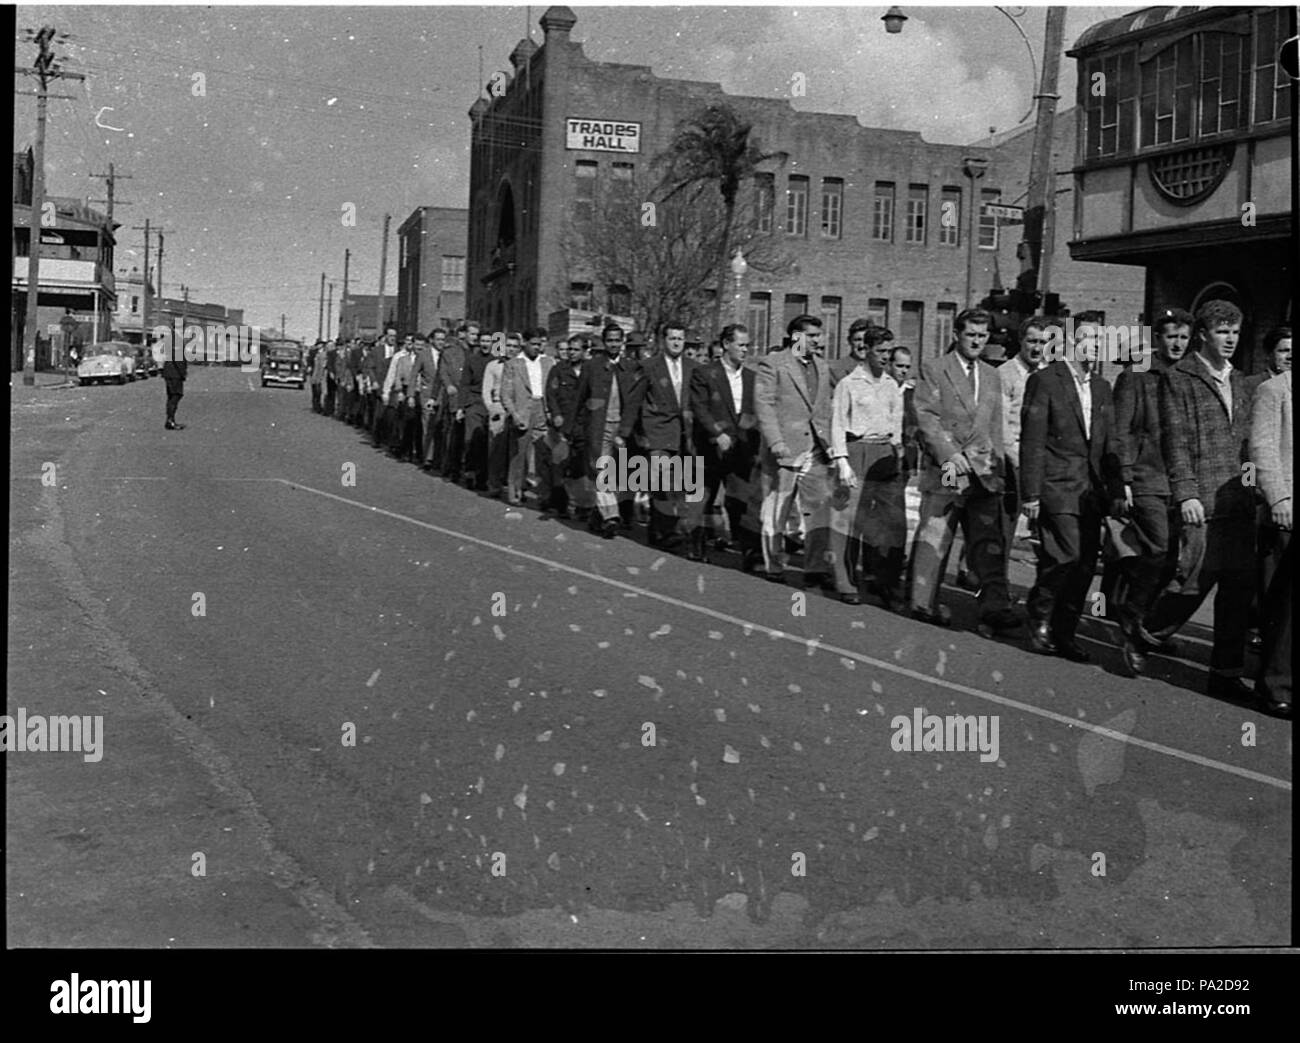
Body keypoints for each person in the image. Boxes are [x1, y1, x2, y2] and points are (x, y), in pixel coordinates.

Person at [1144, 300, 1257, 700]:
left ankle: (1224, 675)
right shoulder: (1181, 378)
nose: (1230, 340)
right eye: (1223, 332)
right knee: (1192, 581)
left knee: (1239, 590)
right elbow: (1176, 441)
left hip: (1240, 502)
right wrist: (1185, 492)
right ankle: (1146, 633)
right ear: (1204, 335)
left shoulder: (1240, 382)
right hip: (1203, 501)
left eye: (1235, 332)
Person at [907, 308, 1019, 632]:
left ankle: (995, 607)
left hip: (983, 468)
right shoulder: (935, 368)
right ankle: (922, 602)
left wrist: (997, 469)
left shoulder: (991, 374)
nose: (976, 341)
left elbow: (995, 426)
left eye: (982, 336)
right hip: (950, 463)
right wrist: (949, 455)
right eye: (970, 334)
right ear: (957, 334)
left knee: (988, 538)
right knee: (938, 530)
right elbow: (926, 418)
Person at [1020, 320, 1123, 662]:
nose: (1094, 345)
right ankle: (1040, 616)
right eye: (1088, 338)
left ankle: (1065, 631)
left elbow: (1111, 444)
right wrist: (1031, 494)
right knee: (1066, 555)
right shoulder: (1046, 381)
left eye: (1099, 339)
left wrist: (1118, 488)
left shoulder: (1103, 388)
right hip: (1057, 486)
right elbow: (1033, 442)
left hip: (1091, 492)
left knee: (1083, 566)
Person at [1105, 308, 1191, 673]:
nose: (1178, 344)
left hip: (1178, 481)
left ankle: (1138, 611)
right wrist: (1123, 478)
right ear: (1158, 338)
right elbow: (1121, 430)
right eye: (1171, 336)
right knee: (1158, 549)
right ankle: (1132, 616)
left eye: (1184, 337)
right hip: (1145, 478)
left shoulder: (1189, 376)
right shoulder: (1137, 375)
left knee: (1172, 558)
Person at [753, 314, 841, 588]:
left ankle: (815, 569)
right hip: (784, 449)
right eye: (812, 335)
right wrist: (775, 441)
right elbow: (764, 405)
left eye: (819, 335)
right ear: (796, 336)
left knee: (818, 510)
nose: (818, 340)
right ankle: (774, 565)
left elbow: (824, 408)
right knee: (777, 511)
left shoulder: (822, 367)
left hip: (815, 450)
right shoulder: (774, 364)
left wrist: (831, 446)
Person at [829, 319, 906, 608]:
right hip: (856, 450)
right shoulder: (849, 384)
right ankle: (845, 580)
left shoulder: (890, 384)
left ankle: (886, 582)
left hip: (885, 453)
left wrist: (897, 450)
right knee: (850, 521)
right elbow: (837, 422)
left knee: (892, 522)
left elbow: (896, 420)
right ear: (867, 350)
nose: (886, 357)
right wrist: (842, 460)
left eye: (889, 351)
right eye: (880, 351)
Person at [687, 323, 761, 567]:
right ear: (726, 344)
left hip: (741, 449)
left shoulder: (751, 378)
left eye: (747, 345)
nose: (745, 350)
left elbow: (755, 411)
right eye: (740, 345)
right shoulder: (705, 373)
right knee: (703, 497)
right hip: (711, 447)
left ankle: (749, 551)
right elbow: (699, 407)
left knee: (741, 499)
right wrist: (716, 432)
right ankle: (696, 544)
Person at [626, 320, 698, 549]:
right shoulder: (649, 366)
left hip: (685, 434)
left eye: (680, 338)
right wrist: (626, 431)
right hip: (657, 431)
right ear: (662, 341)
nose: (677, 343)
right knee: (663, 481)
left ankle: (665, 529)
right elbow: (634, 401)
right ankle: (664, 532)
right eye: (672, 338)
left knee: (678, 484)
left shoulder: (693, 367)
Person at [565, 323, 641, 538]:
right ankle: (611, 517)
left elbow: (636, 402)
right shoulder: (592, 366)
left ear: (623, 342)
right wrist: (568, 428)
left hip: (624, 429)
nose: (614, 344)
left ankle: (597, 518)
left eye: (618, 340)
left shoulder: (631, 366)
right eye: (610, 341)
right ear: (604, 342)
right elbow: (579, 397)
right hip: (599, 427)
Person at [1249, 363, 1291, 716]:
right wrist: (1278, 498)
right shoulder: (1275, 390)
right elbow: (1262, 448)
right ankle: (1276, 687)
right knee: (1284, 605)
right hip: (1287, 513)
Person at [502, 327, 555, 507]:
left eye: (539, 345)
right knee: (519, 454)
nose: (536, 348)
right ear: (524, 343)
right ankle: (515, 491)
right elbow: (506, 394)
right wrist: (514, 414)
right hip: (523, 410)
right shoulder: (513, 364)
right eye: (533, 344)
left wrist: (551, 411)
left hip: (542, 408)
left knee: (544, 453)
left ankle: (544, 496)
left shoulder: (548, 362)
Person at [544, 334, 591, 519]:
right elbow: (551, 393)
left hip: (582, 425)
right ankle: (559, 504)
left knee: (581, 466)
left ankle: (582, 506)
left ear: (585, 352)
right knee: (559, 464)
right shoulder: (558, 370)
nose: (571, 353)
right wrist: (555, 414)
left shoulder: (590, 370)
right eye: (569, 349)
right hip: (562, 424)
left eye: (576, 349)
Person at [457, 329, 496, 490]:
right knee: (473, 440)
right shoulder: (471, 360)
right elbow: (464, 384)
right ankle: (470, 473)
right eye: (483, 341)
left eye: (488, 341)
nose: (485, 344)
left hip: (491, 405)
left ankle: (483, 477)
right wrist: (461, 407)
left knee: (489, 442)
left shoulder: (496, 361)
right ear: (479, 343)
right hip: (475, 402)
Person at [434, 322, 473, 480]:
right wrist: (449, 385)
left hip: (474, 399)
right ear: (461, 335)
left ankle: (467, 468)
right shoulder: (450, 353)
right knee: (453, 436)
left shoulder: (479, 351)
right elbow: (443, 372)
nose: (474, 338)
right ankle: (450, 468)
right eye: (471, 334)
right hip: (456, 398)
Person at [413, 329, 444, 470]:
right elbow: (414, 375)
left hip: (443, 396)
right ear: (431, 340)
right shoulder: (423, 355)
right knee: (428, 426)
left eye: (443, 339)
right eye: (438, 339)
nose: (441, 342)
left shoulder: (447, 355)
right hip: (427, 395)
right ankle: (428, 458)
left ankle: (439, 458)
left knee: (441, 428)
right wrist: (410, 395)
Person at [161, 335, 187, 430]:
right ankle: (170, 420)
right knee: (176, 395)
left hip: (169, 371)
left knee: (172, 396)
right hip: (174, 373)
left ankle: (170, 419)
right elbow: (178, 358)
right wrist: (183, 373)